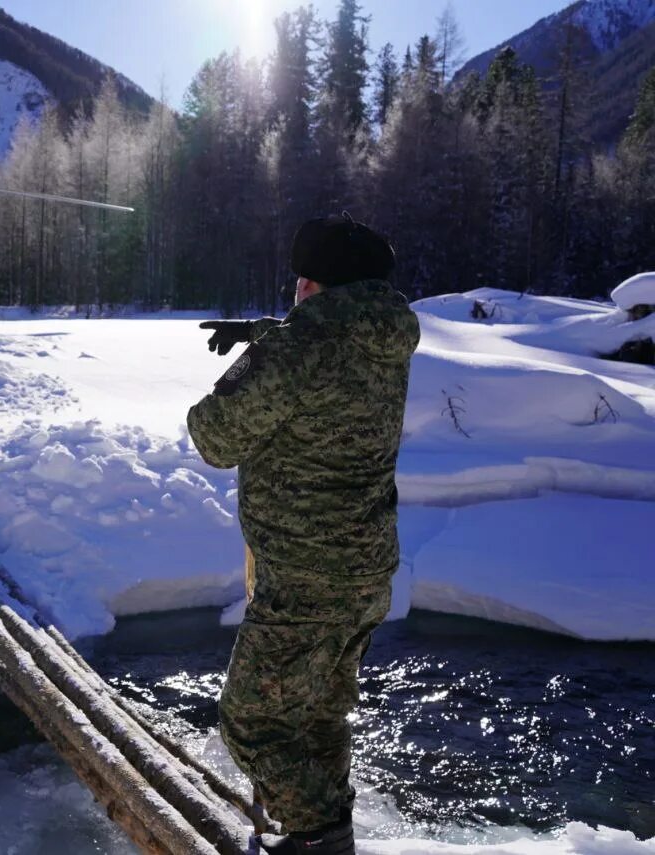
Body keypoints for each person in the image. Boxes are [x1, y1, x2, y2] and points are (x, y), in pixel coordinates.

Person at [186, 213, 419, 855]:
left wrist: (260, 354)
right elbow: (330, 350)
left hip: (303, 575)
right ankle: (324, 830)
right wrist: (264, 334)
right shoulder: (387, 336)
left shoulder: (295, 349)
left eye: (301, 280)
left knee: (252, 720)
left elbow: (214, 436)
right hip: (367, 569)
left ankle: (319, 837)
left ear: (312, 288)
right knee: (318, 716)